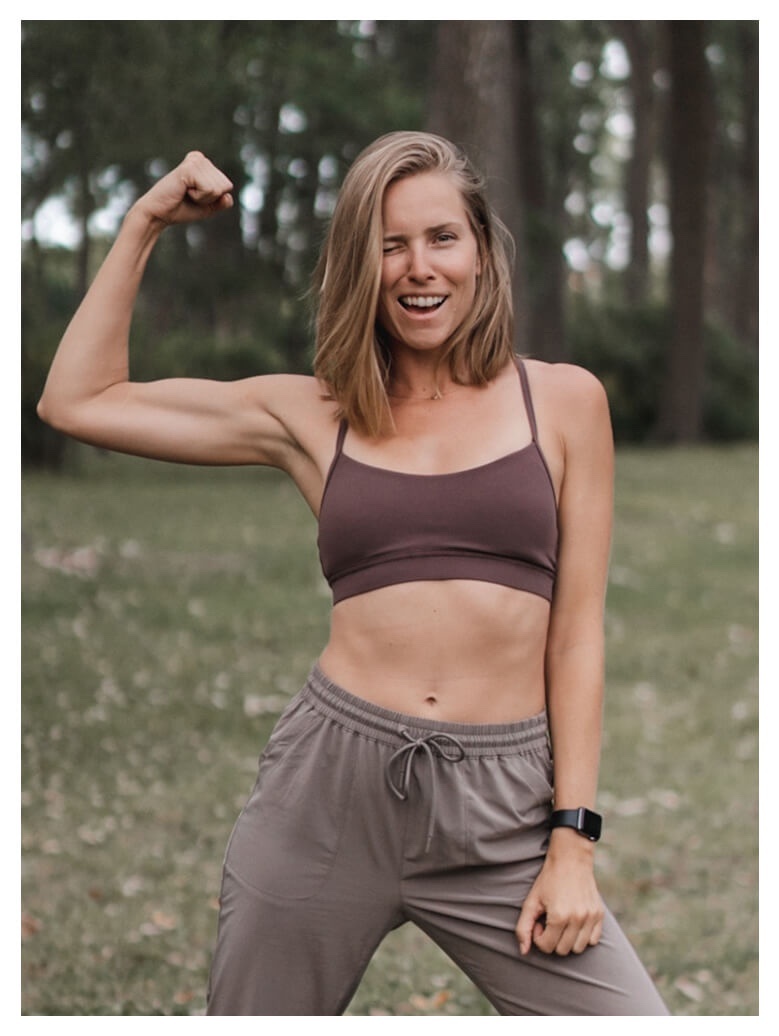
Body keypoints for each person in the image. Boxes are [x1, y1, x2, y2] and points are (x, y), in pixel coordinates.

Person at [37, 132, 668, 1016]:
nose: (419, 268)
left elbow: (575, 637)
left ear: (481, 250)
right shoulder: (313, 413)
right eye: (389, 244)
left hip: (504, 811)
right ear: (358, 266)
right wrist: (144, 221)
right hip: (328, 794)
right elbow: (77, 400)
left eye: (441, 237)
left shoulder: (563, 402)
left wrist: (572, 842)